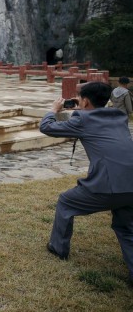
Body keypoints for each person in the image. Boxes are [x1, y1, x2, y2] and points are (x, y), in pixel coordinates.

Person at [39, 82, 133, 284]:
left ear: (86, 101)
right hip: (131, 186)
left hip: (107, 186)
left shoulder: (81, 118)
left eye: (80, 98)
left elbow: (46, 127)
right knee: (126, 227)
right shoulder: (119, 117)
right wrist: (82, 110)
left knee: (66, 202)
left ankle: (58, 247)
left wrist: (53, 110)